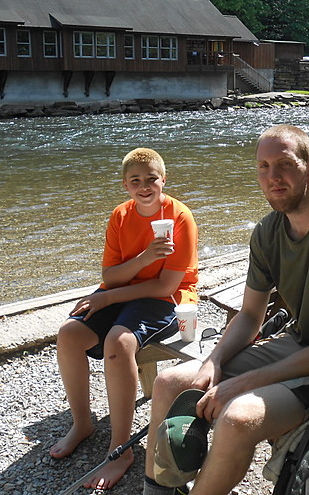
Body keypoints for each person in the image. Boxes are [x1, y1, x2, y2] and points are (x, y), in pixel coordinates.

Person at [142, 125, 309, 495]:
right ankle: (160, 488)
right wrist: (214, 361)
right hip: (301, 342)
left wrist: (239, 384)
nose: (272, 177)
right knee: (170, 383)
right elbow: (249, 316)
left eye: (284, 164)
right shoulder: (267, 232)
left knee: (237, 418)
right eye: (263, 166)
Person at [51, 147, 198, 490]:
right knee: (69, 333)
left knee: (119, 342)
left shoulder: (179, 217)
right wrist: (145, 256)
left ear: (164, 180)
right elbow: (112, 275)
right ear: (125, 185)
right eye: (136, 181)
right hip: (122, 291)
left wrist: (105, 297)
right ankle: (82, 423)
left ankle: (120, 449)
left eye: (151, 179)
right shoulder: (120, 215)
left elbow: (165, 284)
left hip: (166, 299)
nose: (144, 186)